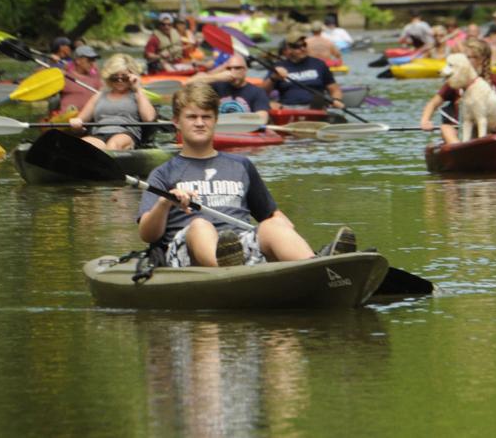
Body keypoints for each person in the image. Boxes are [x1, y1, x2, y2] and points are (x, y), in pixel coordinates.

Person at [137, 82, 354, 267]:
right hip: (187, 252)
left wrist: (283, 228)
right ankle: (225, 266)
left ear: (216, 120)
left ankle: (316, 265)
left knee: (271, 226)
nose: (200, 123)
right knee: (200, 225)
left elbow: (271, 214)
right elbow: (147, 234)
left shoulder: (241, 165)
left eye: (206, 117)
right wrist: (165, 203)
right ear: (177, 121)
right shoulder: (163, 173)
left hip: (239, 247)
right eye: (192, 117)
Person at [419, 39, 496, 144]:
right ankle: (459, 149)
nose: (466, 61)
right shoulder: (455, 83)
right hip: (465, 133)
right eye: (465, 57)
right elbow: (432, 104)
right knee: (445, 128)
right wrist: (425, 120)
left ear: (483, 60)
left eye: (471, 57)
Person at [69, 53, 157, 150]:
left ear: (132, 76)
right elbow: (81, 119)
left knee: (113, 145)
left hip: (126, 133)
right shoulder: (99, 96)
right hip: (100, 134)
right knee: (81, 146)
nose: (120, 81)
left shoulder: (138, 95)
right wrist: (77, 124)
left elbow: (149, 118)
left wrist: (138, 88)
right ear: (109, 77)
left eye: (124, 77)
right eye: (115, 77)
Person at [262, 29, 344, 109]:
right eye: (297, 47)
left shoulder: (319, 64)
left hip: (315, 108)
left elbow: (335, 90)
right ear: (288, 49)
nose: (303, 49)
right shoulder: (278, 67)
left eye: (304, 45)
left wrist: (336, 100)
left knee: (319, 102)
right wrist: (273, 78)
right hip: (288, 108)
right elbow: (262, 93)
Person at [190, 54, 270, 123]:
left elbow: (262, 118)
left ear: (245, 70)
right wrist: (216, 77)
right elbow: (189, 85)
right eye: (229, 68)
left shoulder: (257, 92)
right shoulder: (217, 86)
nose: (232, 71)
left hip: (244, 133)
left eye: (237, 68)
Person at [58, 45, 103, 114]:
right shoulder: (65, 76)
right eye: (89, 60)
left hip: (89, 118)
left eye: (94, 60)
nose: (93, 64)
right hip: (67, 118)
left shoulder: (96, 77)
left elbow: (106, 94)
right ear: (78, 61)